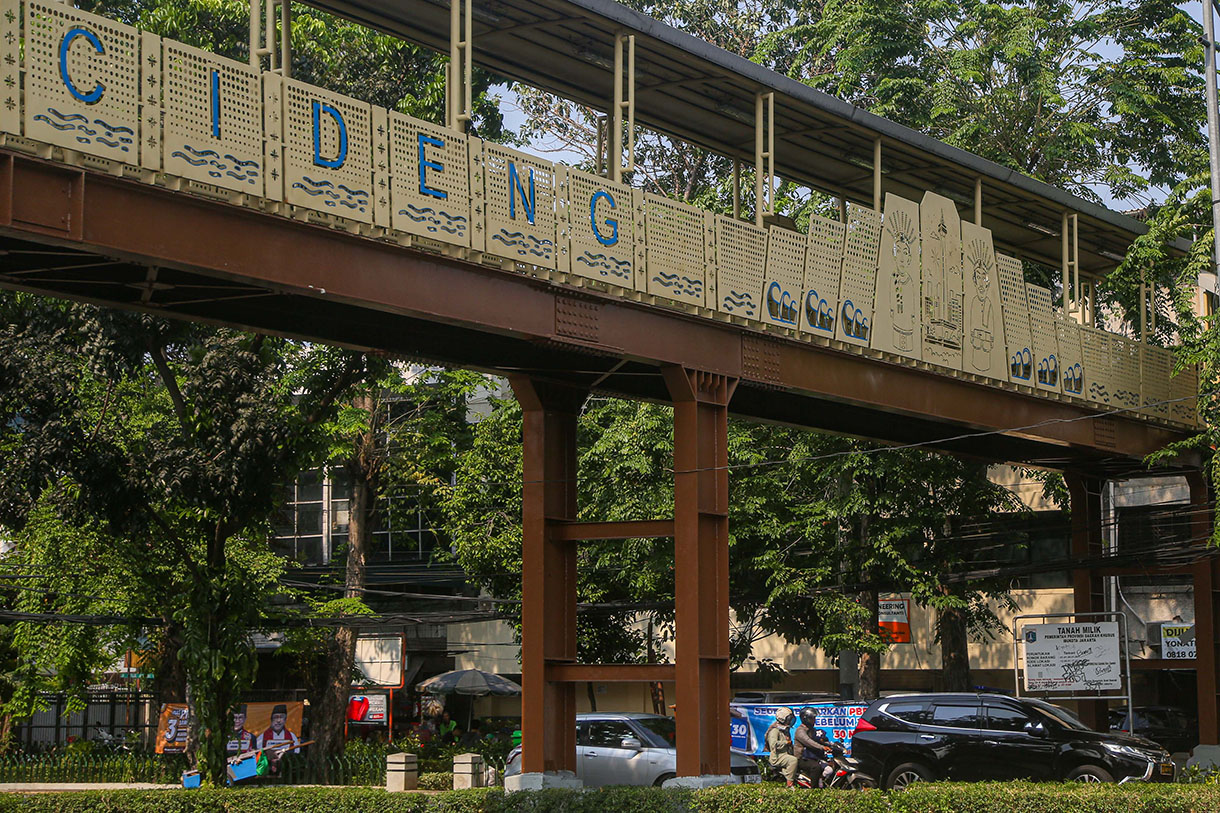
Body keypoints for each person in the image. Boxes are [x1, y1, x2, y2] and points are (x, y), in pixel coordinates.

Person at [793, 708, 834, 787]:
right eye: (812, 718)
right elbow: (809, 742)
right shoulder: (800, 731)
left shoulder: (812, 729)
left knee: (829, 766)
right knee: (816, 767)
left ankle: (821, 782)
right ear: (806, 719)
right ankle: (814, 789)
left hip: (812, 757)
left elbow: (818, 739)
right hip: (801, 758)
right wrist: (822, 747)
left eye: (815, 718)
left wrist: (830, 744)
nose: (814, 720)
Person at [258, 704, 301, 773]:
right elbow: (258, 752)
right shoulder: (263, 736)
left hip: (286, 767)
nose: (278, 721)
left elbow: (297, 751)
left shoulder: (291, 736)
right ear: (271, 719)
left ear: (285, 719)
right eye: (276, 717)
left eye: (281, 717)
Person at [764, 707, 799, 787]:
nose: (790, 721)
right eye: (789, 719)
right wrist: (786, 742)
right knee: (793, 760)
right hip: (777, 756)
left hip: (785, 754)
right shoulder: (774, 730)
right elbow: (773, 745)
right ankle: (790, 784)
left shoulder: (785, 730)